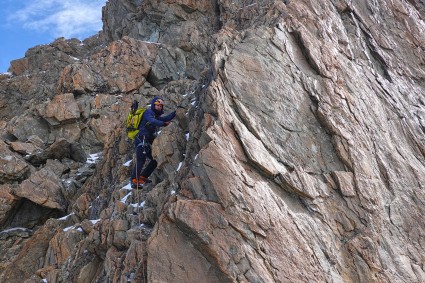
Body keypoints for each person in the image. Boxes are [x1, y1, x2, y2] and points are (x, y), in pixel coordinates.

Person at [131, 96, 176, 188]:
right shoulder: (149, 112)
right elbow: (152, 121)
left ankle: (143, 176)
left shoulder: (155, 116)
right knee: (141, 159)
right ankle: (134, 180)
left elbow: (165, 118)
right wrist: (163, 124)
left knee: (155, 160)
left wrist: (176, 113)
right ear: (153, 105)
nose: (159, 107)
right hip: (141, 139)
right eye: (157, 105)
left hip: (146, 141)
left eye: (161, 106)